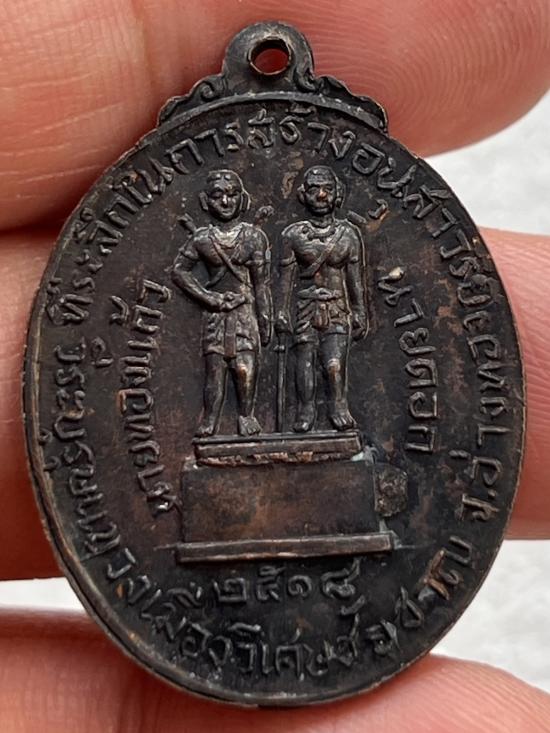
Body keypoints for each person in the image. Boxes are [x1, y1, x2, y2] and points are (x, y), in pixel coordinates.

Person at [2, 1, 550, 730]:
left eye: (324, 190)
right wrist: (238, 300)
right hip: (257, 313)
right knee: (224, 383)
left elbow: (318, 284)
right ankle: (225, 431)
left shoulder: (337, 235)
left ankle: (326, 421)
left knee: (313, 377)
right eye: (309, 189)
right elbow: (243, 278)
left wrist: (337, 312)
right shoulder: (254, 236)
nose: (316, 196)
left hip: (318, 313)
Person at [172, 169, 271, 437]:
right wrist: (210, 298)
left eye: (232, 195)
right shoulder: (202, 239)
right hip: (216, 314)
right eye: (217, 196)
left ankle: (246, 416)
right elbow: (179, 271)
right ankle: (211, 420)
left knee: (244, 369)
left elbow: (261, 284)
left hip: (244, 311)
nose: (225, 202)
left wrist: (265, 319)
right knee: (215, 371)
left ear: (242, 199)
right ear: (206, 201)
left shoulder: (254, 237)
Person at [276, 165, 367, 432]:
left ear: (337, 194)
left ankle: (338, 407)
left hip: (337, 305)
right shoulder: (292, 235)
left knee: (334, 364)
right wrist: (281, 311)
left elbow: (355, 278)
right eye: (314, 189)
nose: (322, 195)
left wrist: (360, 311)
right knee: (304, 361)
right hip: (305, 306)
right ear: (303, 195)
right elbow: (285, 278)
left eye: (328, 189)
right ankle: (306, 410)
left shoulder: (348, 234)